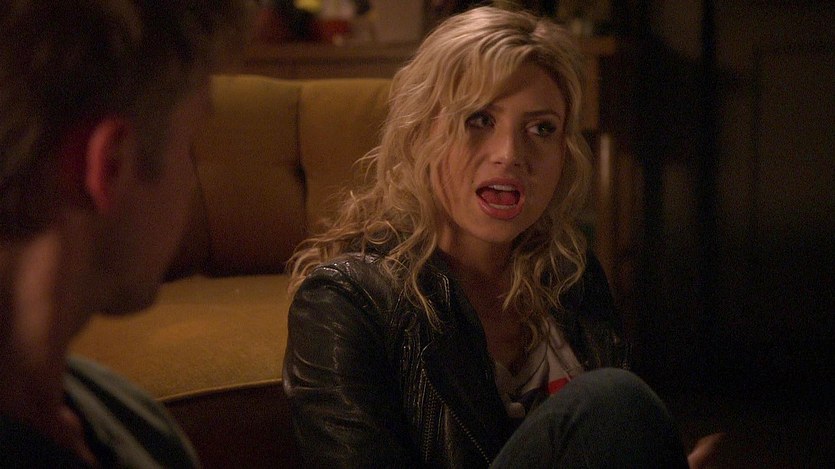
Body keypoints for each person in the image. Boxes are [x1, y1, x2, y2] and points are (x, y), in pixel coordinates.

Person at [283, 6, 723, 468]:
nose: (511, 154)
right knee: (611, 399)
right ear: (420, 132)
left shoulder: (571, 277)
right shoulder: (344, 303)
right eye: (479, 119)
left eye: (541, 128)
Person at [0, 1, 248, 466]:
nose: (190, 182)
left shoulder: (123, 413)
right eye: (189, 143)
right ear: (109, 165)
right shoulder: (143, 433)